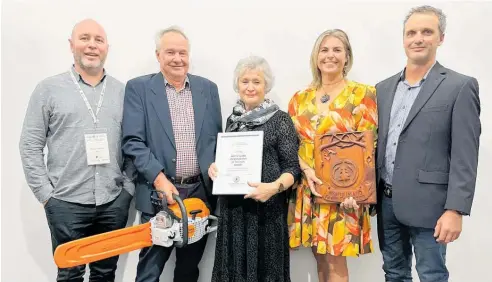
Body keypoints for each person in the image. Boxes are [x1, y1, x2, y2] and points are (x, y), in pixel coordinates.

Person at [19, 19, 134, 282]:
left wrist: (126, 189)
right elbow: (30, 144)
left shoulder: (122, 91)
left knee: (105, 273)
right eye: (84, 38)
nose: (92, 45)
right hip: (66, 202)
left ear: (107, 47)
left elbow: (132, 143)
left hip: (112, 201)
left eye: (98, 40)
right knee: (70, 274)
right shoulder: (48, 90)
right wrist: (47, 195)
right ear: (71, 45)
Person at [375, 5, 481, 282]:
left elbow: (465, 155)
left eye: (427, 32)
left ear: (440, 38)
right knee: (393, 273)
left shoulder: (459, 86)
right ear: (403, 39)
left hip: (431, 206)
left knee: (432, 275)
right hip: (386, 202)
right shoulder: (382, 89)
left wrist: (455, 209)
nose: (418, 38)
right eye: (411, 32)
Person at [121, 26, 222, 282]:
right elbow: (132, 141)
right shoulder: (139, 89)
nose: (178, 58)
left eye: (183, 53)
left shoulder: (208, 89)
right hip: (160, 194)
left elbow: (217, 139)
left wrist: (217, 166)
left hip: (199, 194)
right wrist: (158, 178)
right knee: (150, 270)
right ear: (158, 55)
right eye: (170, 52)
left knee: (189, 270)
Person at [287, 29, 378, 282]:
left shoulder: (362, 94)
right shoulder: (299, 99)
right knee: (321, 257)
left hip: (344, 190)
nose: (330, 55)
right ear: (316, 57)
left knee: (336, 261)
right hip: (308, 188)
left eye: (337, 50)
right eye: (324, 50)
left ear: (347, 57)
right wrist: (305, 169)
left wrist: (357, 191)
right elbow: (289, 145)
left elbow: (369, 146)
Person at [209, 55, 301, 282]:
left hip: (266, 213)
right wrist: (215, 168)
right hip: (234, 213)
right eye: (245, 81)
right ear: (237, 85)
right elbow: (227, 159)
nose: (250, 87)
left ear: (266, 85)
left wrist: (273, 188)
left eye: (256, 82)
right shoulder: (233, 120)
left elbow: (293, 168)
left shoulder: (281, 120)